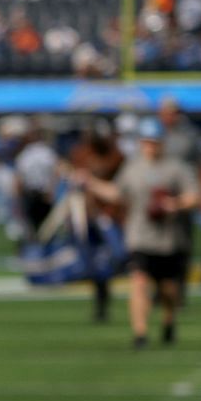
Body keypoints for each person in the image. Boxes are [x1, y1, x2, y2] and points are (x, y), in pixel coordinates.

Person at [76, 118, 201, 347]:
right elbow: (117, 193)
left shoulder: (176, 168)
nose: (150, 146)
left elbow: (194, 196)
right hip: (140, 236)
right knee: (139, 280)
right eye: (146, 142)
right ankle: (140, 333)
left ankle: (168, 320)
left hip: (168, 239)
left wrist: (175, 204)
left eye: (154, 142)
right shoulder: (133, 168)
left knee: (168, 289)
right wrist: (91, 183)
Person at [69, 116, 125, 322]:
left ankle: (105, 297)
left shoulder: (116, 155)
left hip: (107, 213)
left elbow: (121, 187)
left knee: (116, 255)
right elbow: (73, 180)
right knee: (91, 261)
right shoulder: (80, 154)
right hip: (86, 213)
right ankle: (100, 303)